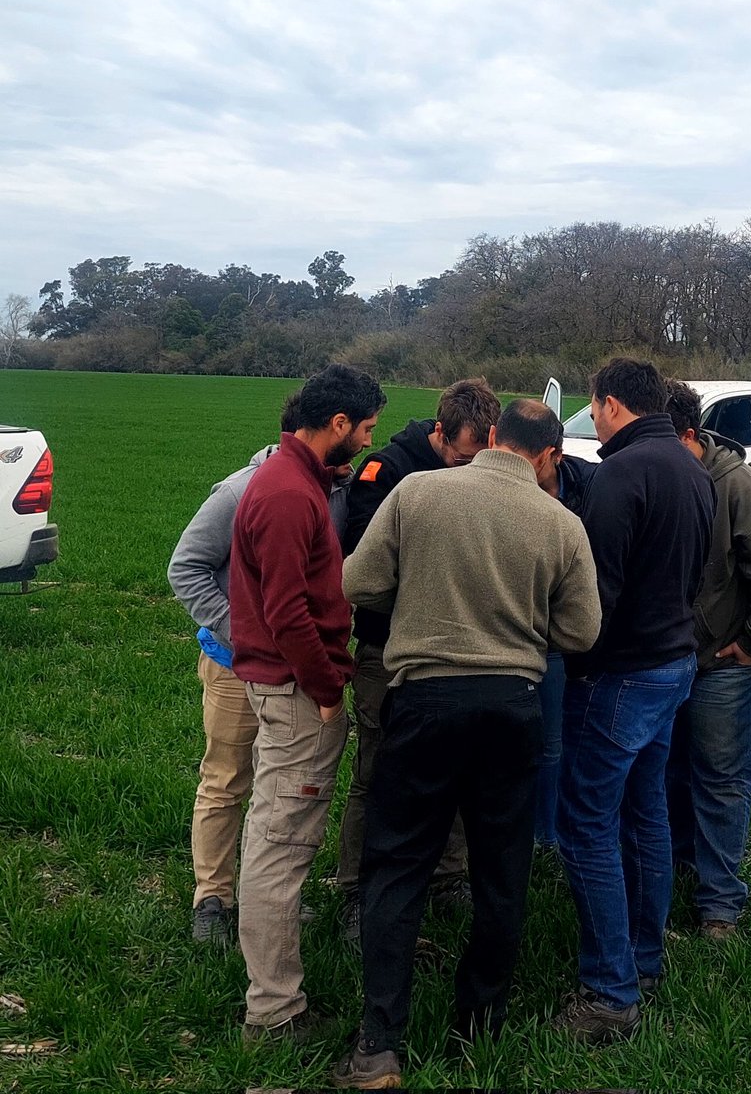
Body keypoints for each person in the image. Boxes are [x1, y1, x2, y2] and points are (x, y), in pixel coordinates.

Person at [331, 399, 600, 1089]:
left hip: (422, 700)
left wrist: (422, 603)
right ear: (546, 456)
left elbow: (356, 582)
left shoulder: (418, 491)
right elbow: (581, 634)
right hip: (511, 708)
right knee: (500, 871)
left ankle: (379, 1044)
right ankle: (477, 1025)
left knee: (396, 867)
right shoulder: (561, 523)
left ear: (490, 441)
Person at [553, 358, 716, 1044]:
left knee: (585, 826)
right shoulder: (689, 467)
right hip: (673, 664)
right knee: (645, 813)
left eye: (592, 406)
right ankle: (644, 960)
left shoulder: (621, 471)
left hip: (620, 676)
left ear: (609, 404)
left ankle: (610, 994)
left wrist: (578, 663)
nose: (591, 418)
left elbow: (599, 591)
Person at [230, 363, 385, 1043]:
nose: (368, 442)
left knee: (278, 834)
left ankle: (273, 996)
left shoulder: (296, 480)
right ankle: (273, 1013)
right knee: (280, 843)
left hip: (293, 683)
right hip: (297, 690)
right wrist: (325, 690)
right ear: (339, 423)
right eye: (367, 428)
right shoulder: (290, 494)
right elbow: (287, 610)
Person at [167, 392, 353, 947]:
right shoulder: (241, 489)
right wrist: (242, 633)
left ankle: (263, 902)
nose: (364, 447)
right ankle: (213, 898)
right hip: (231, 665)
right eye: (357, 432)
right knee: (226, 780)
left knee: (278, 793)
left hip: (290, 665)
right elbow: (186, 569)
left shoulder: (336, 491)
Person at [335, 377, 502, 941]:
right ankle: (356, 887)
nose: (466, 470)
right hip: (389, 650)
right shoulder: (385, 473)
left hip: (456, 649)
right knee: (377, 769)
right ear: (439, 432)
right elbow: (361, 568)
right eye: (460, 456)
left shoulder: (483, 473)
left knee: (458, 768)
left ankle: (448, 875)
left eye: (478, 459)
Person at [663, 380, 751, 941]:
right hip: (663, 664)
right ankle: (674, 873)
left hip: (722, 666)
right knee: (669, 774)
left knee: (721, 780)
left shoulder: (741, 488)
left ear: (690, 437)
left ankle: (720, 905)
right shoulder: (658, 480)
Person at [531, 425, 597, 851]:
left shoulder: (589, 483)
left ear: (553, 456)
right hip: (523, 629)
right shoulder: (509, 489)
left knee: (556, 741)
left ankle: (547, 832)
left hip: (568, 627)